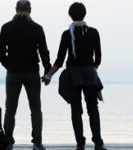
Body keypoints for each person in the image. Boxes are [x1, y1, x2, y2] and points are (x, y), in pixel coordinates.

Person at [42, 2, 107, 150]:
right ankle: (98, 143)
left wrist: (48, 76)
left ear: (70, 15)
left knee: (76, 110)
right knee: (93, 109)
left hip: (73, 75)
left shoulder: (66, 34)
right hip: (90, 74)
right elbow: (98, 59)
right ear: (85, 14)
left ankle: (80, 143)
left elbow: (59, 61)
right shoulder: (93, 32)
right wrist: (91, 69)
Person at [0, 0, 51, 150]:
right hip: (32, 72)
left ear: (16, 9)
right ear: (30, 10)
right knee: (35, 108)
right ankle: (37, 142)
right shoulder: (37, 28)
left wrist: (8, 65)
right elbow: (44, 52)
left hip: (13, 73)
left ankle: (8, 142)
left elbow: (0, 51)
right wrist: (48, 71)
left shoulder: (6, 27)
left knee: (10, 109)